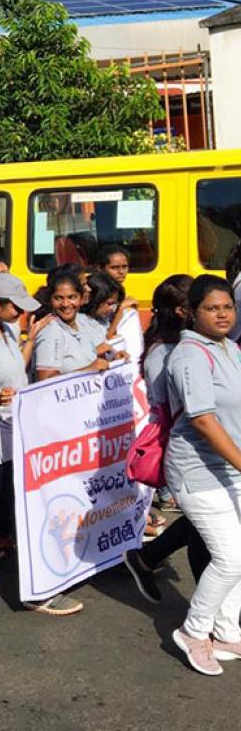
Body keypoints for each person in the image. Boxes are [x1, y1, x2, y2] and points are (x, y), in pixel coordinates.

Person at [0, 272, 83, 615]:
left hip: (14, 428)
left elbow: (16, 366)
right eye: (15, 307)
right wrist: (0, 397)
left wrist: (30, 339)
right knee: (19, 506)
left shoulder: (7, 330)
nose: (19, 313)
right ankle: (37, 589)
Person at [164, 274, 241, 676]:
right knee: (230, 559)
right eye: (212, 308)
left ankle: (228, 632)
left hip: (230, 467)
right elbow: (205, 421)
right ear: (191, 313)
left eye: (227, 306)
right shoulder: (190, 355)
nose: (223, 314)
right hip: (197, 471)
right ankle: (195, 632)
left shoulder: (228, 347)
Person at [123, 274, 210, 604]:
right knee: (207, 530)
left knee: (206, 524)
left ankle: (147, 557)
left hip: (203, 445)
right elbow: (175, 406)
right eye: (201, 305)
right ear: (180, 311)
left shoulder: (189, 344)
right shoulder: (167, 353)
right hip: (187, 447)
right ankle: (208, 611)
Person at [32, 270, 120, 381]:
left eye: (72, 297)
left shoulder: (84, 322)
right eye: (58, 298)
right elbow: (46, 381)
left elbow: (98, 354)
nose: (65, 304)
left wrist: (114, 358)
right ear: (50, 300)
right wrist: (88, 370)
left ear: (82, 298)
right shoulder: (50, 332)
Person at [82, 272, 125, 348]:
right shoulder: (81, 322)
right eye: (109, 304)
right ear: (95, 299)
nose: (112, 308)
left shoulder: (102, 319)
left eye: (114, 304)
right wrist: (118, 316)